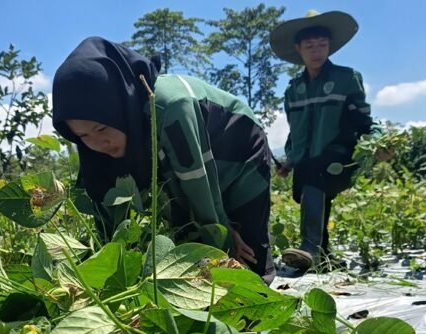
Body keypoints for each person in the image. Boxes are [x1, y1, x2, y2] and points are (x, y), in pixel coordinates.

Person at [52, 37, 275, 284]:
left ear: (119, 110)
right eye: (82, 135)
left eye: (102, 129)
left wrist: (222, 235)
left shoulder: (171, 106)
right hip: (188, 165)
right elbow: (107, 205)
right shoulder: (104, 141)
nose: (96, 143)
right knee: (189, 250)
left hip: (238, 150)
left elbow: (199, 187)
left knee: (247, 261)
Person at [270, 10, 375, 272]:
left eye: (322, 45)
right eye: (310, 46)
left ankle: (310, 249)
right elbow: (296, 133)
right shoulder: (294, 88)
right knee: (311, 183)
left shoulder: (346, 79)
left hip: (340, 155)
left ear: (329, 47)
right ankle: (325, 257)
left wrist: (380, 142)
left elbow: (365, 121)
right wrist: (289, 162)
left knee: (316, 175)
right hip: (307, 161)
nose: (316, 51)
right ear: (299, 49)